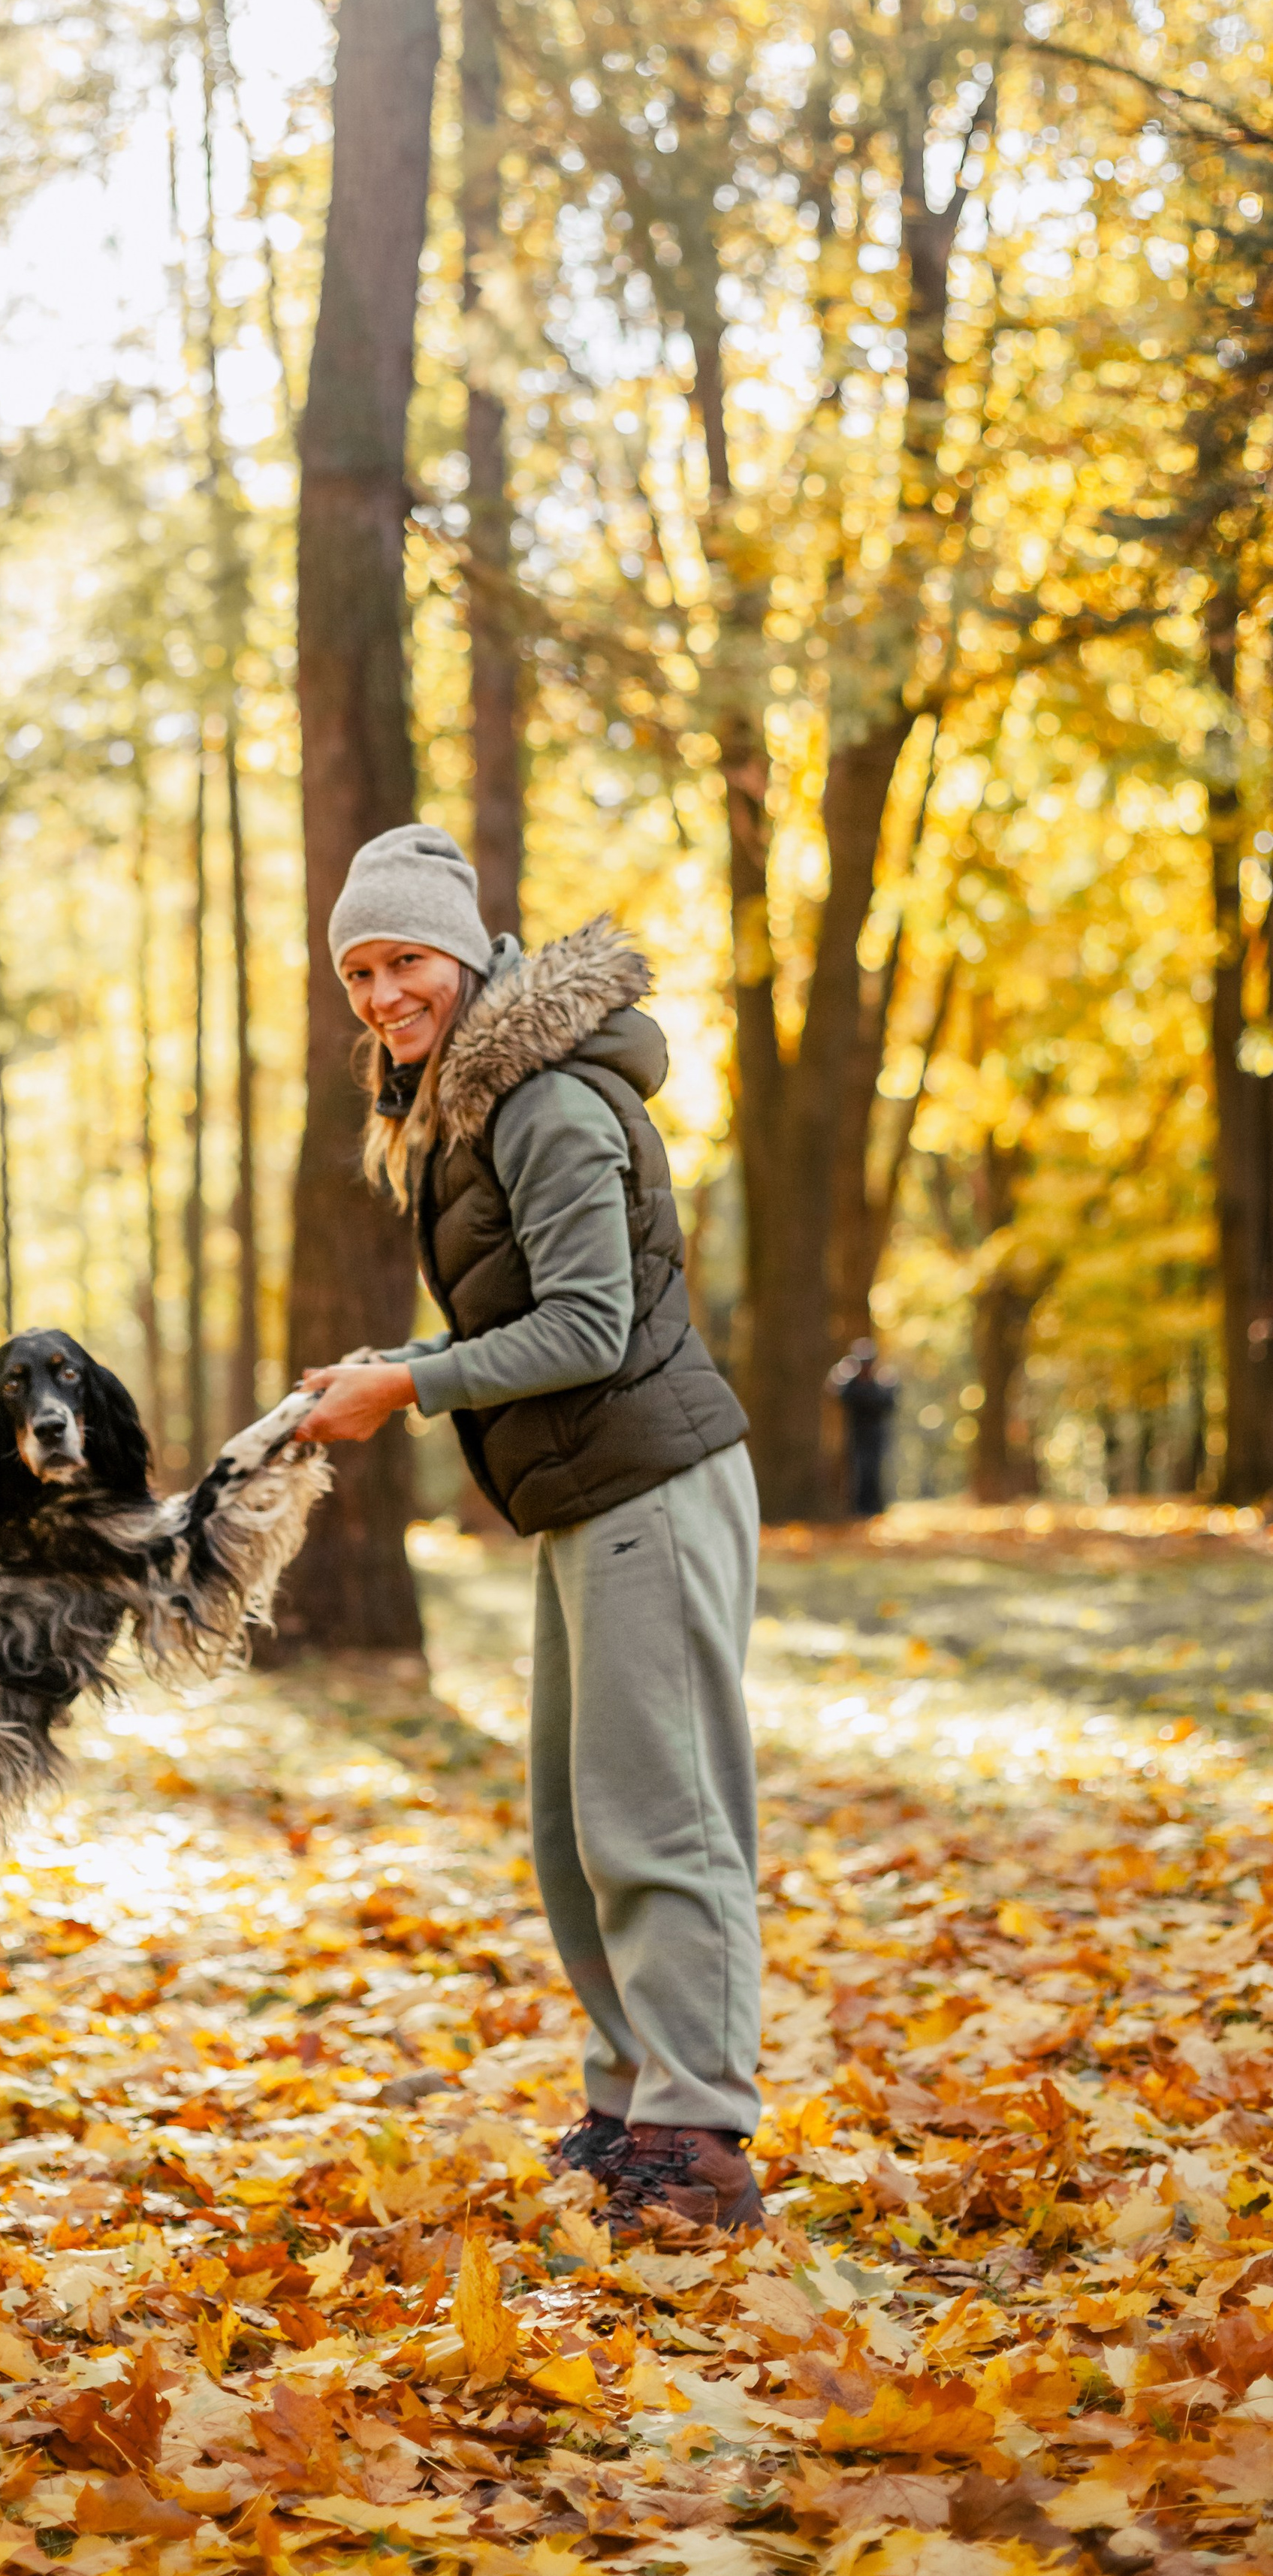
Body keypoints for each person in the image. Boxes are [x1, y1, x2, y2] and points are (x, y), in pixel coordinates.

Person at [294, 825, 764, 2234]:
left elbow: (589, 1327)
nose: (384, 995)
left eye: (406, 960)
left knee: (663, 1820)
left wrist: (411, 1385)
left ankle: (701, 2147)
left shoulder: (543, 1101)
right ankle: (632, 2110)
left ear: (469, 951)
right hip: (588, 1495)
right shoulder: (463, 1106)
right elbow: (531, 1307)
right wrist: (400, 1362)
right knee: (580, 1828)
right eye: (360, 973)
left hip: (653, 1487)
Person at [830, 1340, 897, 1518]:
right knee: (857, 1473)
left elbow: (889, 1404)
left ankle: (875, 1508)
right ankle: (858, 1510)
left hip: (876, 1435)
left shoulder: (882, 1382)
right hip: (856, 1435)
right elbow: (839, 1395)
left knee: (874, 1471)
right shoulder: (850, 1383)